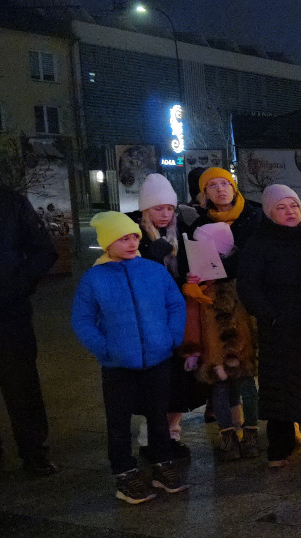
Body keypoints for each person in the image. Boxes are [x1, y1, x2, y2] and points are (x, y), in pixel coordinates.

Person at [71, 211, 188, 503]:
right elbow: (82, 320)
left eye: (134, 236)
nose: (132, 242)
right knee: (119, 420)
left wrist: (171, 338)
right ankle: (124, 473)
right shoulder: (94, 279)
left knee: (158, 415)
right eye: (123, 238)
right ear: (108, 243)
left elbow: (175, 304)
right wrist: (105, 349)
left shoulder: (153, 270)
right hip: (118, 364)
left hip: (157, 359)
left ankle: (163, 465)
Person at [0, 147, 60, 478]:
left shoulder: (8, 202)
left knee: (20, 383)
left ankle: (33, 451)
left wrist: (18, 286)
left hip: (7, 310)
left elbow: (44, 250)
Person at [238, 185, 301, 467]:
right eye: (281, 208)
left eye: (294, 206)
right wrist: (270, 315)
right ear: (269, 213)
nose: (290, 212)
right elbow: (249, 286)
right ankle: (280, 446)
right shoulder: (260, 243)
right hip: (280, 327)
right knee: (279, 389)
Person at [132, 173, 198, 459]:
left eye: (169, 208)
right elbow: (135, 278)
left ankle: (172, 435)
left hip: (178, 318)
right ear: (146, 209)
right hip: (149, 322)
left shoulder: (180, 233)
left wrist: (192, 278)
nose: (165, 214)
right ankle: (149, 440)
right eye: (158, 208)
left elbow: (185, 268)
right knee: (153, 384)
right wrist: (154, 254)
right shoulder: (135, 235)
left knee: (179, 383)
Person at [180, 222, 258, 460]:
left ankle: (250, 434)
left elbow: (253, 310)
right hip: (214, 347)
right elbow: (192, 315)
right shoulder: (200, 280)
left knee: (247, 389)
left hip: (241, 344)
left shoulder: (242, 273)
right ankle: (229, 437)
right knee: (221, 391)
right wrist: (192, 349)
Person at [191, 167, 263, 250]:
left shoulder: (257, 217)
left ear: (233, 189)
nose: (220, 189)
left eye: (224, 183)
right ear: (206, 194)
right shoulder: (201, 225)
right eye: (213, 185)